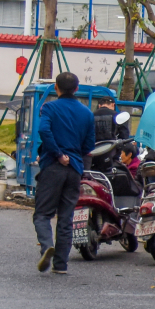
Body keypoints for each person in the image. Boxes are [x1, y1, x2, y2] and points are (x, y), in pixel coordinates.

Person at [32, 72, 94, 275]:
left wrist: (58, 153)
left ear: (56, 87)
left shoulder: (50, 108)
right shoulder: (87, 113)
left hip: (52, 166)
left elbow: (44, 131)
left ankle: (46, 246)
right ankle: (61, 264)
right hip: (74, 169)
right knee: (66, 218)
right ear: (77, 89)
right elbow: (89, 146)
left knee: (42, 214)